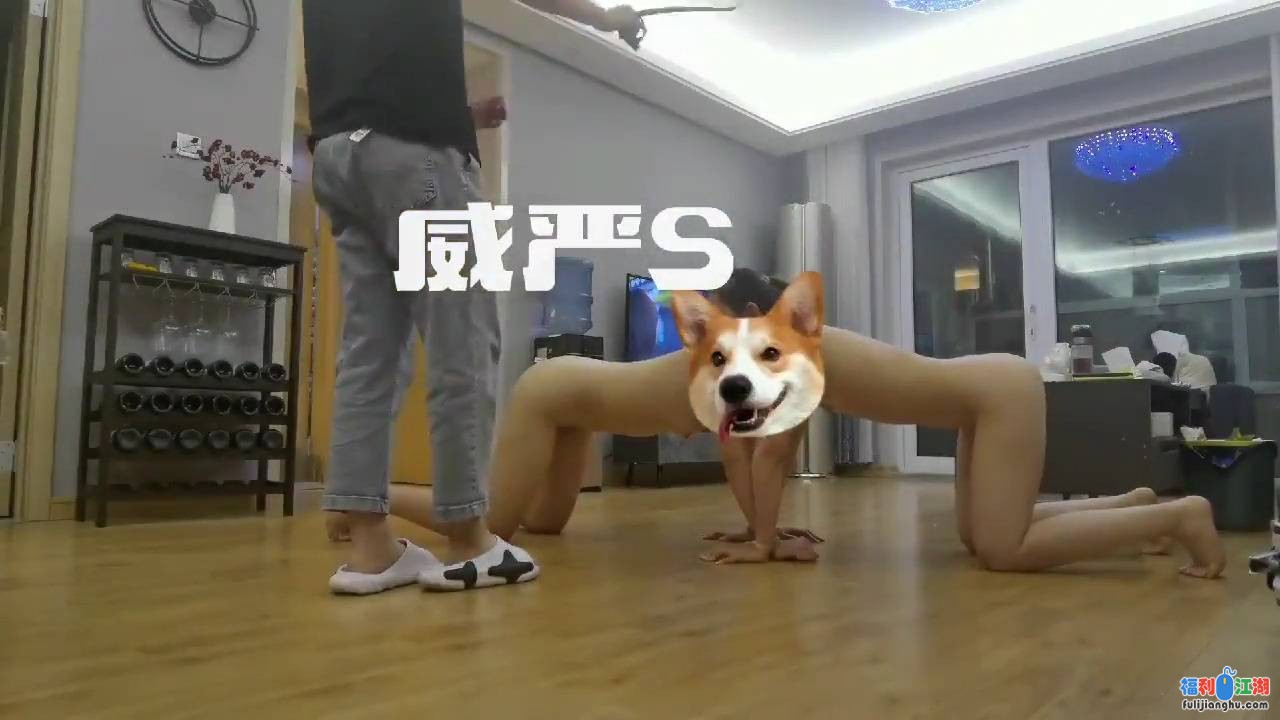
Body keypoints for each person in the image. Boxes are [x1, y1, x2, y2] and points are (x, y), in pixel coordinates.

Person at [331, 269, 1227, 579]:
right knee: (525, 523)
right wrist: (761, 536)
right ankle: (1138, 506)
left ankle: (1180, 515)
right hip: (552, 395)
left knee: (1000, 548)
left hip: (994, 397)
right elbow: (752, 454)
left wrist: (763, 539)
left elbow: (760, 455)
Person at [303, 0, 644, 594]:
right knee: (463, 342)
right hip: (419, 155)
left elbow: (371, 69)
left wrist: (458, 116)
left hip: (339, 158)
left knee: (368, 356)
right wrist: (608, 18)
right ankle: (470, 541)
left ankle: (371, 549)